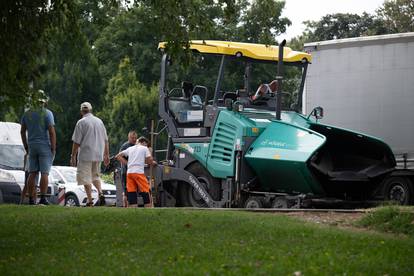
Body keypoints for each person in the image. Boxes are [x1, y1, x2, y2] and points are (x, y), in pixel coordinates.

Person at [20, 90, 56, 205]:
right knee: (45, 173)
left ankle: (31, 199)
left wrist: (26, 146)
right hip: (44, 146)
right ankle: (43, 198)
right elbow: (51, 132)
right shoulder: (47, 113)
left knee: (32, 173)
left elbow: (22, 131)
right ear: (44, 102)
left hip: (32, 146)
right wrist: (53, 147)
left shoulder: (27, 113)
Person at [70, 102, 110, 206]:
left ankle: (90, 200)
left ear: (81, 111)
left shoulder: (81, 122)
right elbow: (106, 140)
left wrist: (73, 155)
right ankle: (100, 192)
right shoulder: (99, 121)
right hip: (98, 154)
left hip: (85, 155)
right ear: (91, 110)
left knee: (85, 177)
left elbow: (76, 142)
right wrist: (106, 155)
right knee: (95, 176)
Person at [115, 136, 155, 208]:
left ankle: (133, 210)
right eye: (146, 144)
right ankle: (148, 209)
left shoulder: (130, 148)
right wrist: (150, 152)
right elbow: (150, 160)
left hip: (129, 173)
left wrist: (127, 163)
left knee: (131, 192)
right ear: (143, 143)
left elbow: (118, 156)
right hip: (138, 172)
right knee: (146, 192)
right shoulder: (144, 148)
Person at [119, 130, 138, 207]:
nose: (134, 139)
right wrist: (128, 164)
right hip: (126, 172)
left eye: (135, 138)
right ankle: (125, 207)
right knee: (126, 191)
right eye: (132, 138)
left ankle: (132, 206)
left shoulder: (137, 146)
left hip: (135, 172)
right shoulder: (125, 146)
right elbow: (119, 157)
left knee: (133, 190)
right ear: (128, 138)